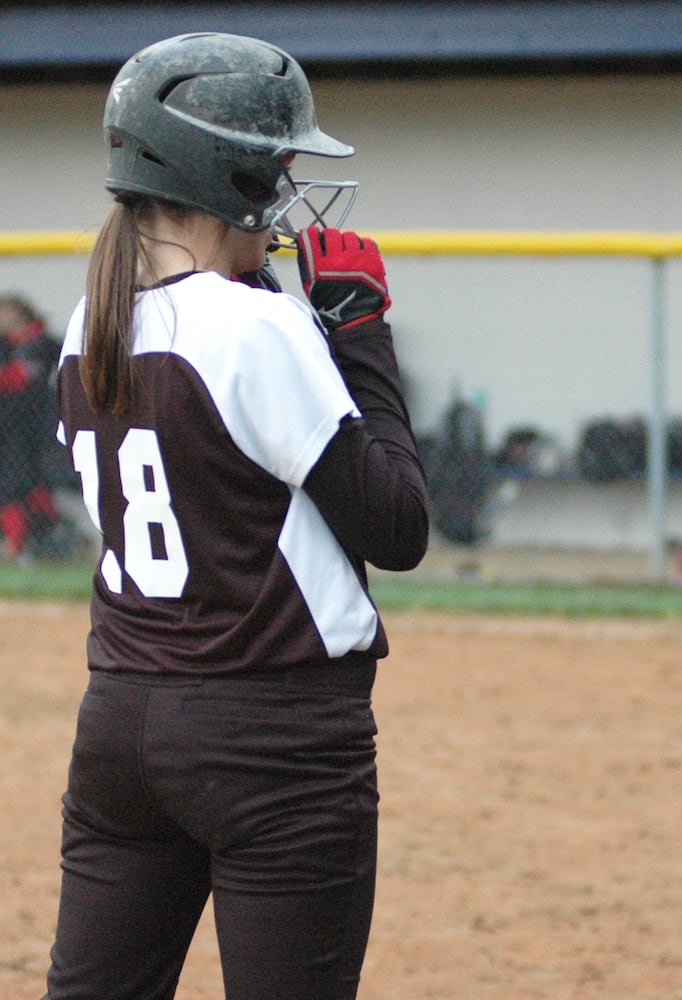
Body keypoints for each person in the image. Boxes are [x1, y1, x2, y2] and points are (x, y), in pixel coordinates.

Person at [44, 32, 428, 1000]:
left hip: (122, 716)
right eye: (282, 161)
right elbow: (397, 527)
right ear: (233, 169)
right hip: (274, 729)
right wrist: (364, 339)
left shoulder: (92, 317)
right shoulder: (257, 323)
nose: (292, 183)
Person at [0, 294, 64, 561]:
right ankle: (27, 544)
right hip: (12, 433)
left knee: (18, 486)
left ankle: (29, 546)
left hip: (43, 430)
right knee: (16, 486)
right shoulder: (6, 346)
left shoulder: (42, 344)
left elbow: (16, 378)